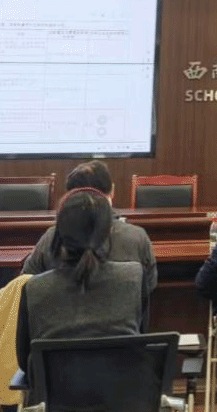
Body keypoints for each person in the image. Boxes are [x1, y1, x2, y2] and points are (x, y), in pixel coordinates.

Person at [16, 190, 144, 391]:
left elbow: (25, 362)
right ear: (107, 232)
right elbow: (140, 340)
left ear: (58, 232)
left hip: (55, 403)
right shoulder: (133, 277)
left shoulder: (34, 288)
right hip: (123, 401)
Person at [21, 160, 157, 309]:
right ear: (112, 191)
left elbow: (26, 285)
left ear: (70, 197)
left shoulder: (52, 237)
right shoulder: (137, 237)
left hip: (60, 321)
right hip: (123, 322)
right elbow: (148, 288)